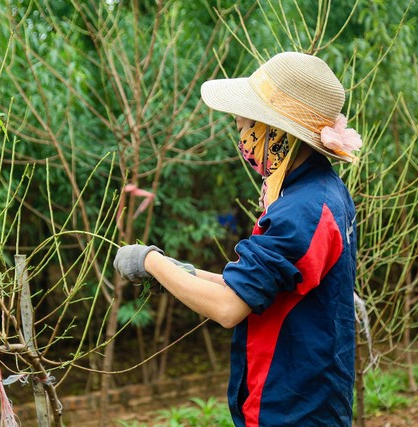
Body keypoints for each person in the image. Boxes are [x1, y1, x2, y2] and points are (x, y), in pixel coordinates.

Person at [113, 51, 361, 426]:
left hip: (293, 408)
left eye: (244, 125)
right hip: (303, 398)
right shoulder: (320, 192)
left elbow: (230, 306)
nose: (241, 136)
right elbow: (258, 286)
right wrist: (181, 273)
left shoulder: (303, 210)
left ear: (274, 133)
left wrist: (150, 260)